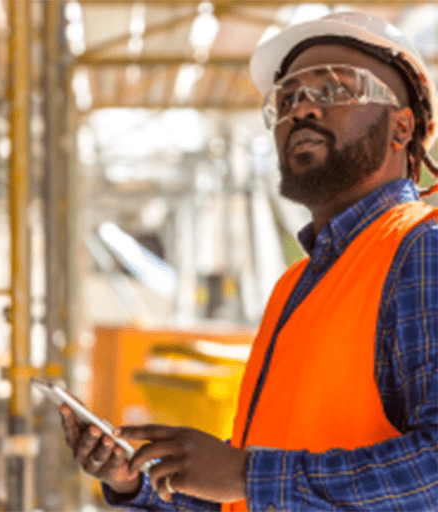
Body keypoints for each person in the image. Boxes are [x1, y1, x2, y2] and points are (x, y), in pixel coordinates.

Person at [61, 12, 438, 511]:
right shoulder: (297, 285)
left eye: (332, 90)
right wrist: (138, 480)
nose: (300, 110)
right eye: (286, 100)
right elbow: (253, 498)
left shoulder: (422, 250)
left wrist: (245, 473)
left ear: (401, 127)